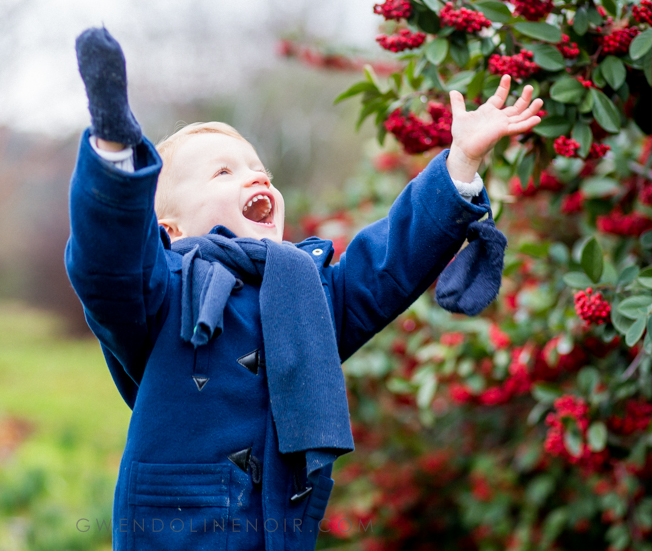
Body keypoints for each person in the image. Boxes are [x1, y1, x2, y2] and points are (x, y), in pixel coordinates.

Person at [65, 27, 542, 551]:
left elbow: (385, 265)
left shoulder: (304, 293)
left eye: (260, 170)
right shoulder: (161, 288)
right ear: (172, 229)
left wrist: (460, 166)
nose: (256, 179)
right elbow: (106, 265)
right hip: (178, 533)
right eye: (224, 173)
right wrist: (114, 154)